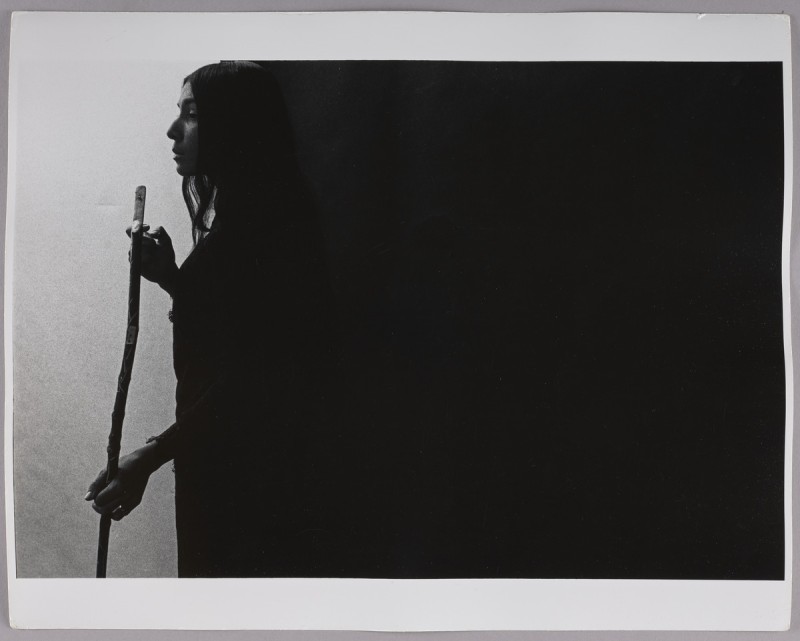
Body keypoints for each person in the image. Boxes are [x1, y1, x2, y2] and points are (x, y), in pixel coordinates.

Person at [85, 61, 337, 577]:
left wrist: (150, 456)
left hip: (252, 483)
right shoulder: (254, 216)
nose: (174, 130)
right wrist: (174, 279)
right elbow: (239, 329)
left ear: (234, 123)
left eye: (192, 114)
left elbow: (258, 373)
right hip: (223, 469)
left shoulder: (270, 223)